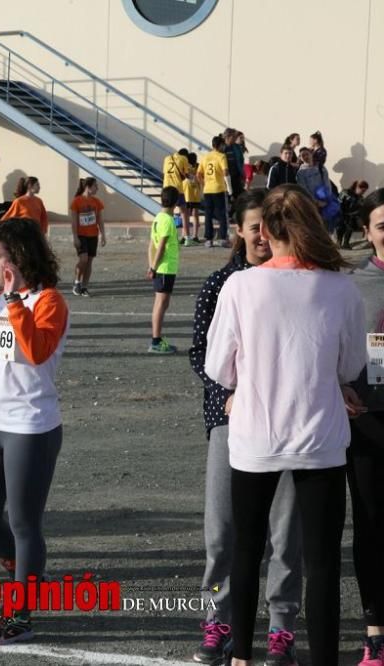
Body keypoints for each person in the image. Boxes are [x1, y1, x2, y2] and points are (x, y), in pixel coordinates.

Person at [205, 184, 366, 666]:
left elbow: (219, 367)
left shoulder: (241, 286)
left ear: (268, 231)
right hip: (320, 438)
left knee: (246, 550)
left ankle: (240, 658)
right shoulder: (341, 287)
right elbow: (351, 365)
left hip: (256, 436)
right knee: (321, 564)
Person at [187, 189, 302, 665]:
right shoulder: (220, 284)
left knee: (284, 533)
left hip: (288, 424)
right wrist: (229, 395)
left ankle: (280, 628)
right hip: (230, 424)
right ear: (239, 230)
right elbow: (202, 354)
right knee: (222, 533)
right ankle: (219, 622)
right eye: (253, 226)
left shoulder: (299, 282)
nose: (261, 235)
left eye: (268, 226)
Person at [0, 217, 68, 645]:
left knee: (26, 524)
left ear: (20, 256)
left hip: (32, 426)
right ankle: (28, 571)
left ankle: (20, 612)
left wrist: (12, 301)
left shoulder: (48, 302)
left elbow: (37, 350)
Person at [348, 189, 384, 666]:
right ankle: (375, 628)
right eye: (382, 224)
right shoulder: (352, 285)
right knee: (372, 525)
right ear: (367, 232)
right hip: (371, 420)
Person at [148, 186, 180, 354]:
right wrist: (154, 266)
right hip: (165, 267)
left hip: (163, 267)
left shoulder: (158, 218)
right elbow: (159, 246)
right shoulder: (167, 220)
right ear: (176, 202)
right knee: (160, 304)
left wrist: (151, 264)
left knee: (163, 303)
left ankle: (157, 338)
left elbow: (151, 245)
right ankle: (156, 340)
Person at [69, 177, 105, 296]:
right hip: (81, 235)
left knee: (89, 262)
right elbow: (74, 221)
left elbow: (99, 219)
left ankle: (84, 287)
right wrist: (75, 236)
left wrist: (103, 234)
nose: (97, 188)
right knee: (83, 259)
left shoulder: (97, 202)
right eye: (95, 186)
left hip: (93, 235)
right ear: (88, 188)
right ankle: (77, 282)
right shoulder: (77, 201)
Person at [198, 136, 232, 248]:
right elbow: (226, 172)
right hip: (219, 189)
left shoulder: (205, 157)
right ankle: (223, 238)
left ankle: (208, 239)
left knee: (208, 214)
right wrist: (230, 188)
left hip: (207, 190)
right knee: (222, 214)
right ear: (221, 145)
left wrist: (205, 184)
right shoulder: (222, 156)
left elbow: (199, 174)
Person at [163, 148, 190, 229]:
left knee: (167, 212)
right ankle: (186, 237)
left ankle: (166, 231)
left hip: (166, 188)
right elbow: (186, 174)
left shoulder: (167, 158)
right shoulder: (184, 158)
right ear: (185, 155)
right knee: (184, 212)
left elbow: (164, 173)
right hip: (177, 188)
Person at [337, 180, 369, 249]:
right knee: (340, 228)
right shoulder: (345, 192)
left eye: (364, 191)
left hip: (351, 216)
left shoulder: (360, 198)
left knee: (349, 229)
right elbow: (339, 202)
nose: (363, 193)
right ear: (357, 187)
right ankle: (338, 242)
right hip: (341, 213)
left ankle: (346, 243)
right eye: (362, 190)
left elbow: (362, 207)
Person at [183, 152, 203, 245]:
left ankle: (187, 236)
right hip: (193, 194)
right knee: (193, 215)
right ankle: (194, 236)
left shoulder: (187, 167)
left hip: (189, 194)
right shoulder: (196, 166)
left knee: (186, 215)